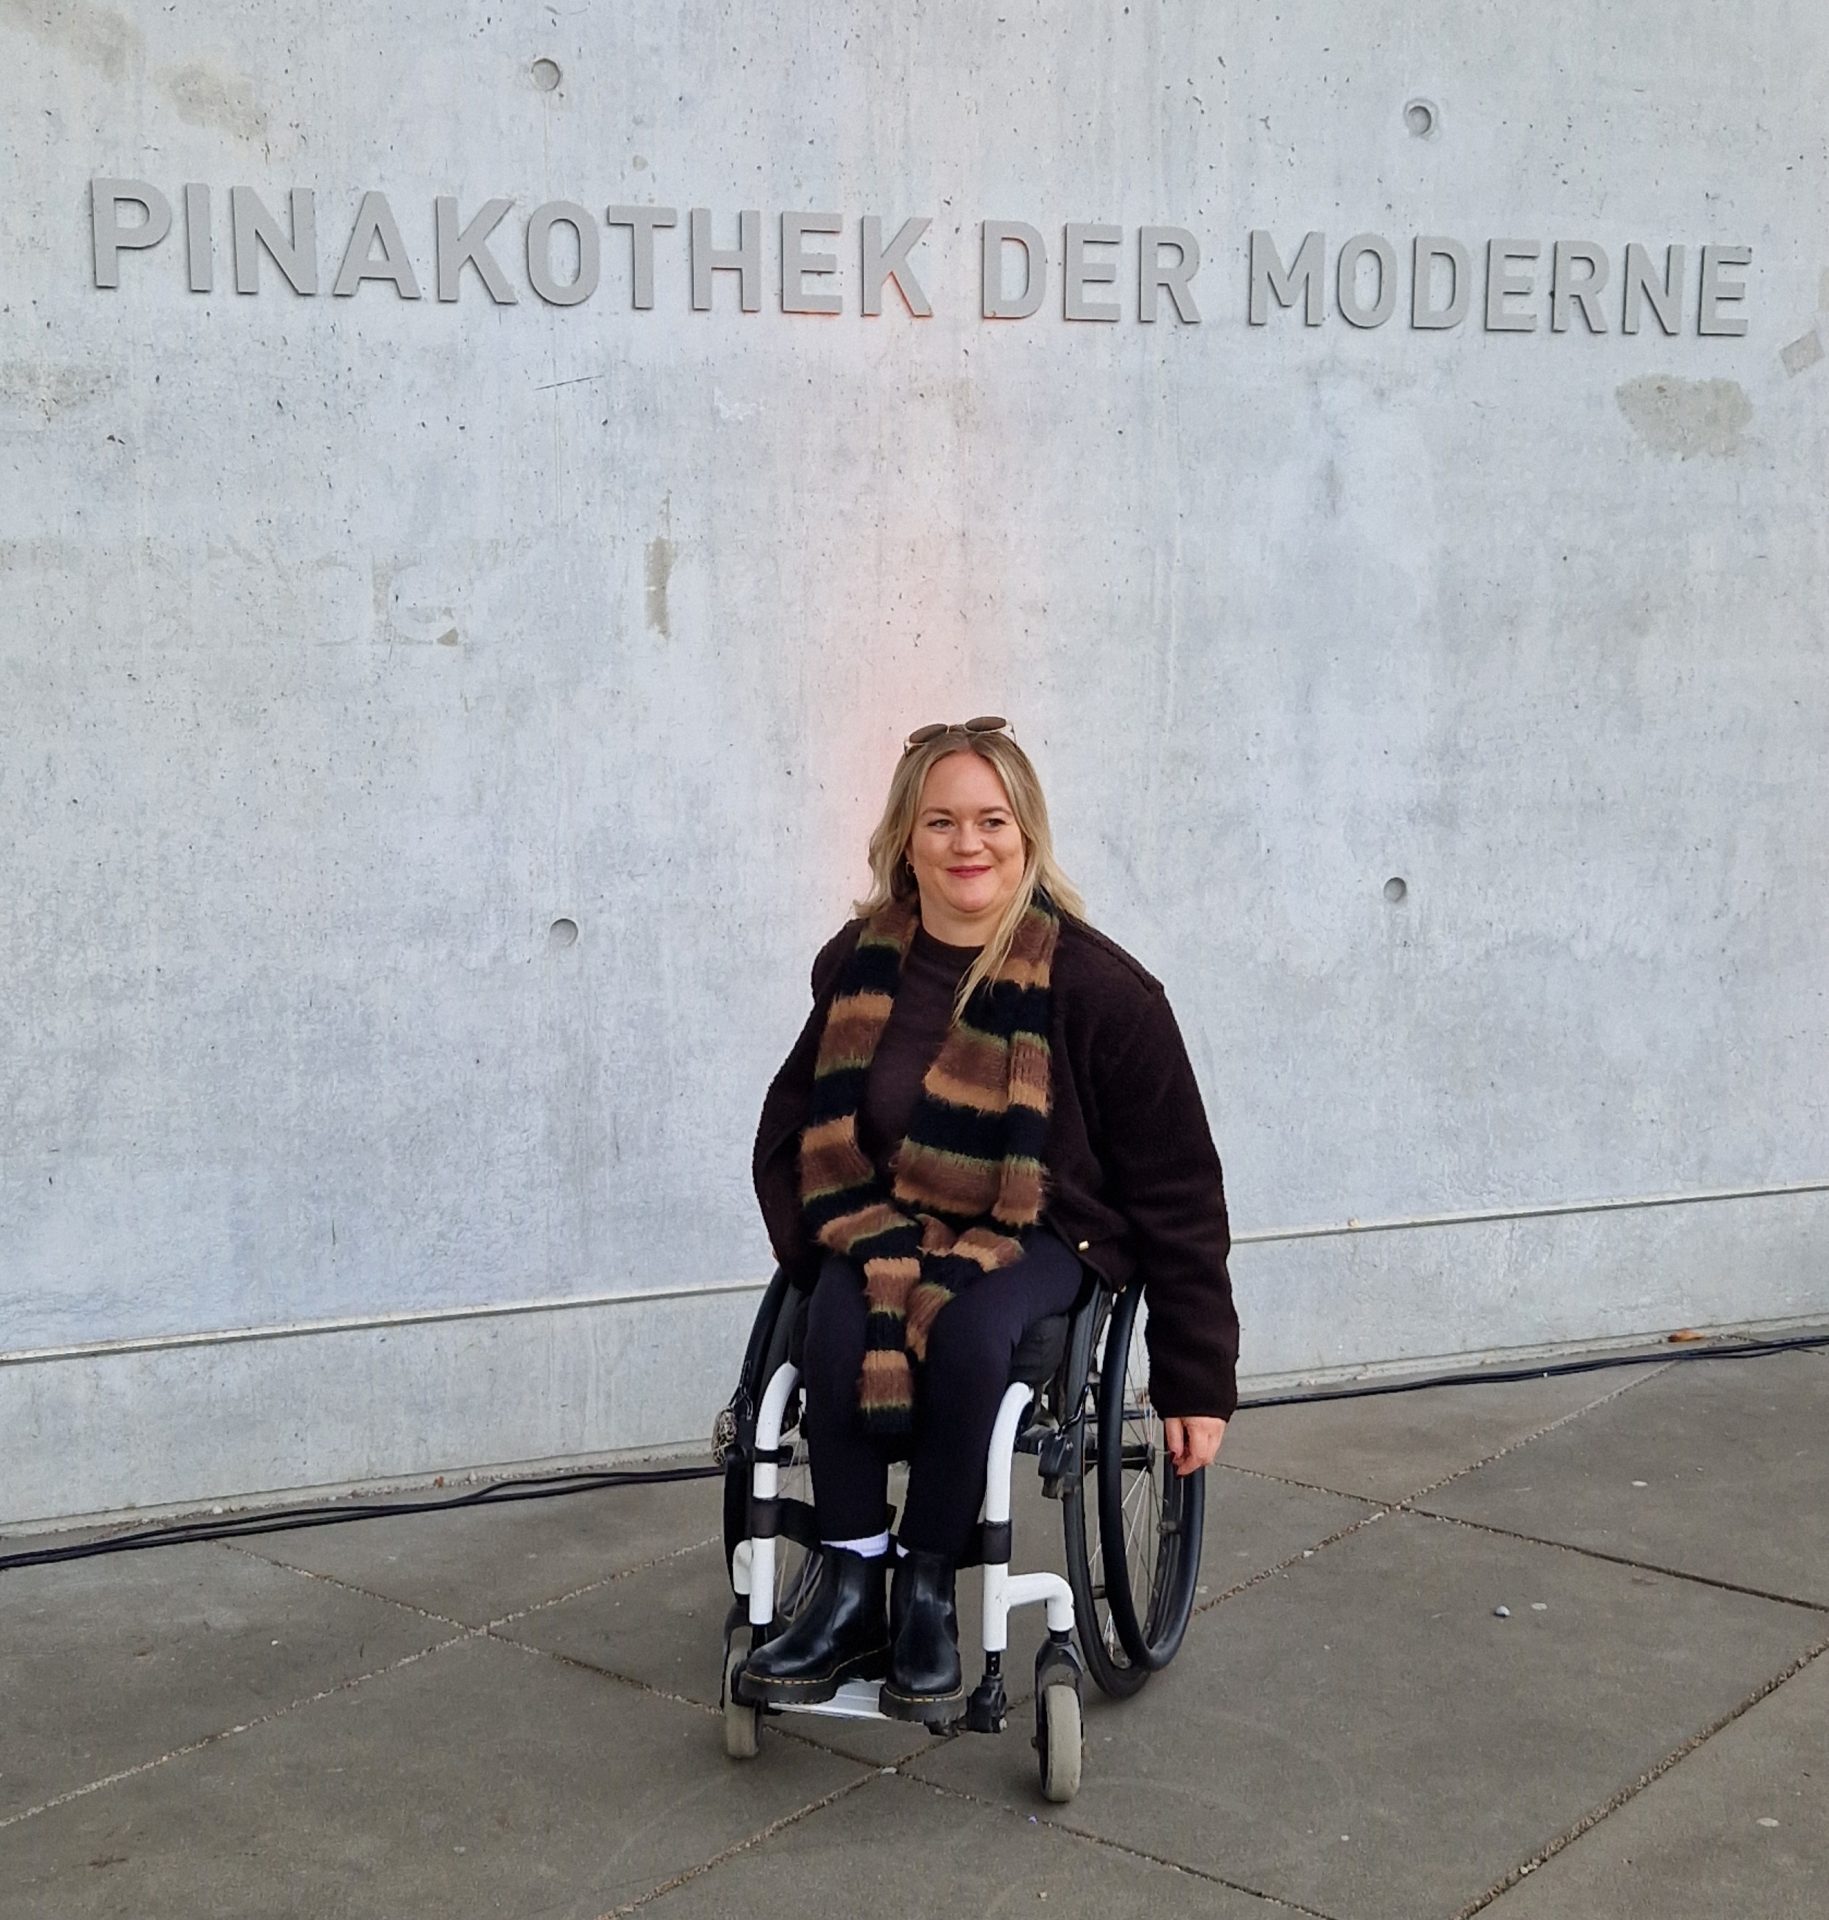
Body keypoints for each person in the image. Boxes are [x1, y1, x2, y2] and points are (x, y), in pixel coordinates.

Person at [740, 716, 1238, 1725]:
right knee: (838, 1311)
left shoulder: (1100, 990)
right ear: (903, 840)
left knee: (970, 1330)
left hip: (1042, 1232)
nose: (967, 844)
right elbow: (792, 1120)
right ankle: (849, 1585)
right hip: (885, 1222)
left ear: (1024, 834)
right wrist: (812, 1244)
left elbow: (1180, 1190)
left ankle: (925, 1590)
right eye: (940, 821)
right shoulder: (857, 961)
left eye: (990, 821)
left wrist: (1196, 1379)